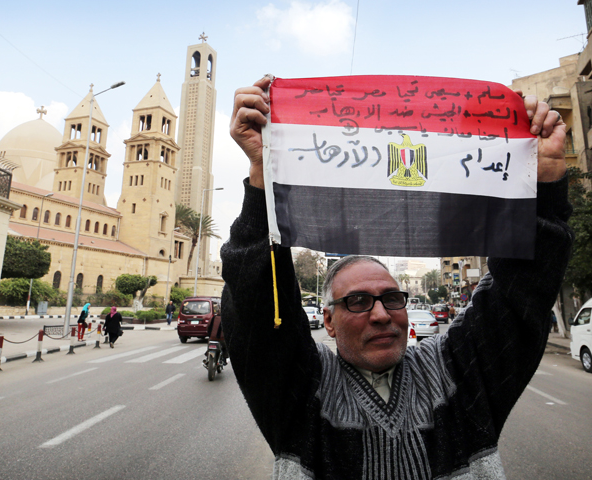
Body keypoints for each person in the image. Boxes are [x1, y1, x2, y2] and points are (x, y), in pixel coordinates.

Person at [221, 76, 573, 479]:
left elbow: (518, 296)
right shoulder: (302, 391)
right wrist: (264, 173)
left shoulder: (458, 374)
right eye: (357, 301)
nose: (381, 315)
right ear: (329, 322)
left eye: (391, 298)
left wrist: (543, 181)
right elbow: (256, 308)